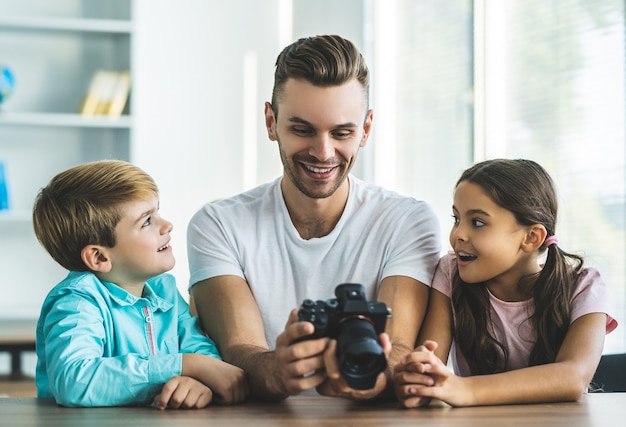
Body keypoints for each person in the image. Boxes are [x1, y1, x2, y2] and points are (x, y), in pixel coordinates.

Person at [187, 34, 441, 401]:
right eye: (302, 129)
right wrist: (279, 370)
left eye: (342, 132)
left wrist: (368, 380)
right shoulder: (218, 225)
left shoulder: (408, 220)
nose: (323, 152)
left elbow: (398, 349)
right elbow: (239, 351)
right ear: (271, 122)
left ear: (366, 130)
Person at [393, 158, 618, 408]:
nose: (458, 235)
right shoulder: (450, 273)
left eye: (477, 222)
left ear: (531, 237)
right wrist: (417, 379)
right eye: (456, 219)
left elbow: (573, 376)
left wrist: (466, 390)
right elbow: (430, 365)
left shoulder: (584, 286)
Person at [32, 160, 248, 408]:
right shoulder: (78, 302)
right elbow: (73, 380)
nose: (167, 225)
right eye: (146, 221)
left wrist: (198, 381)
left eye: (157, 212)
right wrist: (184, 366)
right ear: (100, 257)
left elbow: (201, 352)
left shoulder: (163, 290)